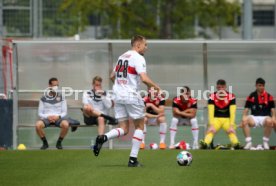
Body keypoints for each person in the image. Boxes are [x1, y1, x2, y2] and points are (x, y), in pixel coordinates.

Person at [93, 35, 161, 167]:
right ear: (138, 45)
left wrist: (121, 87)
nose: (146, 47)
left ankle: (103, 137)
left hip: (118, 95)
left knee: (124, 128)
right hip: (130, 95)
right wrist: (156, 87)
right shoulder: (138, 57)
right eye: (145, 45)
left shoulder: (122, 56)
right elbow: (144, 79)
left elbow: (112, 76)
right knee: (140, 126)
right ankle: (132, 160)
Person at [200, 79, 240, 149]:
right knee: (211, 131)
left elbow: (232, 112)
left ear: (225, 87)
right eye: (219, 87)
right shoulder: (212, 96)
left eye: (222, 87)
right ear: (216, 88)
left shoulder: (231, 96)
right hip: (216, 119)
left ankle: (236, 144)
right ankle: (205, 144)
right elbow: (211, 112)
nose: (221, 89)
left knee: (231, 131)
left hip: (227, 119)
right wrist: (211, 125)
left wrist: (231, 125)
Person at [241, 78, 275, 150]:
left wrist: (274, 118)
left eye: (263, 86)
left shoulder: (269, 96)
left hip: (265, 117)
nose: (261, 87)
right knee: (244, 120)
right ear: (256, 86)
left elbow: (273, 110)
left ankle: (265, 142)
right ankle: (248, 142)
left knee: (270, 121)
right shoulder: (251, 96)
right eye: (259, 85)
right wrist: (243, 117)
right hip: (254, 117)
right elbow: (246, 109)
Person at [35, 77, 69, 150]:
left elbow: (64, 112)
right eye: (54, 85)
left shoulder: (62, 97)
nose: (56, 87)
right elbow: (40, 113)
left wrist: (57, 117)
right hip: (47, 118)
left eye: (57, 85)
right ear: (49, 86)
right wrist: (48, 117)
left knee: (66, 125)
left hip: (58, 118)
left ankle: (59, 142)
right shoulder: (43, 98)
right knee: (38, 125)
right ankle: (45, 143)